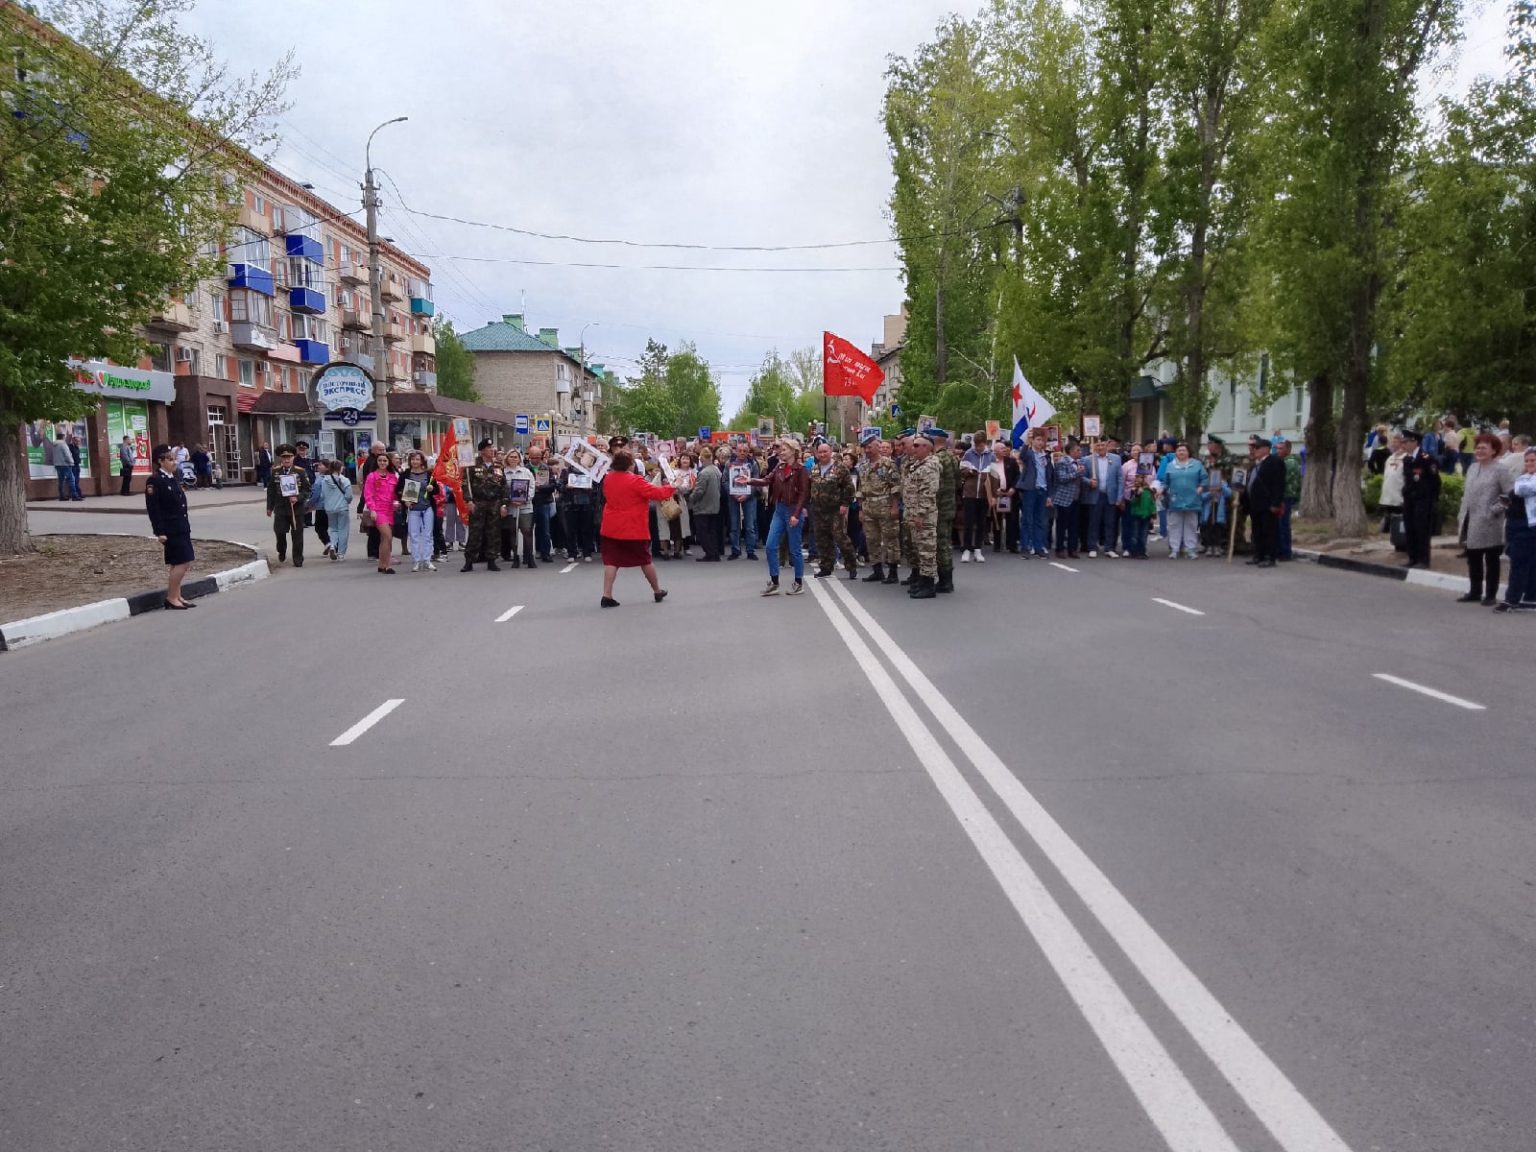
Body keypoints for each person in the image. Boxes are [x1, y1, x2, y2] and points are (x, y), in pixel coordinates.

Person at [595, 450, 673, 607]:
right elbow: (657, 493)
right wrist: (673, 487)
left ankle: (606, 595)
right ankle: (657, 590)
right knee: (645, 560)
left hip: (611, 526)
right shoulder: (635, 481)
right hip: (632, 527)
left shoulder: (608, 478)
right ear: (630, 464)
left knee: (611, 561)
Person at [744, 440, 809, 595]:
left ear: (794, 451)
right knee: (771, 545)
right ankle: (774, 582)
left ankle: (798, 582)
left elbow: (803, 494)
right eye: (781, 449)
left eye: (785, 449)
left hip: (793, 510)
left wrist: (796, 514)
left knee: (794, 550)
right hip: (779, 510)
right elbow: (767, 480)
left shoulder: (801, 470)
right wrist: (750, 481)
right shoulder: (779, 467)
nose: (781, 451)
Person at [1455, 433, 1512, 605]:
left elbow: (1509, 495)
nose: (1479, 451)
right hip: (1471, 520)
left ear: (1494, 450)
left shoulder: (1500, 469)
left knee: (1491, 559)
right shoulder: (1472, 468)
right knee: (1473, 557)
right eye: (1478, 447)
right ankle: (1475, 591)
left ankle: (1490, 595)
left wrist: (1493, 510)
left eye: (1484, 448)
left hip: (1491, 522)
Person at [145, 444, 195, 609]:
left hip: (181, 526)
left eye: (174, 459)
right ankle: (171, 598)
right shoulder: (155, 480)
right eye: (170, 459)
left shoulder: (171, 478)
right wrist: (159, 531)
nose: (174, 462)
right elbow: (154, 509)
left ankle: (177, 596)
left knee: (178, 562)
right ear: (160, 461)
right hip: (170, 529)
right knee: (183, 562)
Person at [1495, 446, 1536, 612]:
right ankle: (1530, 597)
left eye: (1533, 460)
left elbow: (1524, 489)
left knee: (1521, 563)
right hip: (1518, 524)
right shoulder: (1524, 477)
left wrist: (1514, 493)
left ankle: (1511, 599)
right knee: (1526, 562)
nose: (1529, 463)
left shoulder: (1525, 480)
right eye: (1527, 461)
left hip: (1528, 526)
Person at [809, 440, 857, 578]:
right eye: (820, 452)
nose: (823, 454)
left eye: (825, 451)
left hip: (835, 509)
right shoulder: (814, 469)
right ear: (816, 454)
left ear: (831, 452)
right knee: (822, 539)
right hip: (818, 509)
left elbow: (849, 487)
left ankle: (851, 565)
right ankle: (826, 567)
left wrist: (845, 504)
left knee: (840, 537)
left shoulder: (840, 468)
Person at [860, 438, 902, 584]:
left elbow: (895, 487)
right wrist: (861, 509)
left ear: (878, 447)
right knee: (872, 539)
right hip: (869, 506)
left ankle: (892, 571)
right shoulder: (864, 466)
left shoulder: (888, 464)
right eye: (865, 448)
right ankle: (877, 570)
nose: (867, 450)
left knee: (890, 539)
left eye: (870, 447)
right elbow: (861, 489)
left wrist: (895, 506)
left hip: (885, 504)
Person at [905, 433, 942, 599]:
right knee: (919, 549)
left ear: (927, 448)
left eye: (917, 445)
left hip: (924, 516)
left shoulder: (930, 466)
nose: (913, 448)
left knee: (927, 550)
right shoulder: (919, 464)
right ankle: (922, 580)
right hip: (914, 514)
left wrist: (920, 514)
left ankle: (928, 585)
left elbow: (928, 493)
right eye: (913, 445)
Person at [461, 438, 505, 572]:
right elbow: (465, 484)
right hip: (478, 503)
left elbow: (503, 486)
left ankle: (491, 560)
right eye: (488, 448)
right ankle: (469, 561)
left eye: (492, 448)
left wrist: (503, 504)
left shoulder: (498, 465)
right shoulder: (472, 465)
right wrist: (469, 500)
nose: (492, 451)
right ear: (482, 451)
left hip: (494, 503)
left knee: (493, 533)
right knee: (475, 532)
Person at [1242, 434, 1285, 568]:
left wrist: (1275, 503)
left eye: (1257, 447)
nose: (1254, 450)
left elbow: (1278, 484)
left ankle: (1269, 557)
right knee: (1257, 531)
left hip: (1268, 504)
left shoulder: (1274, 462)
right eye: (1253, 447)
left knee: (1269, 531)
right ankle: (1258, 555)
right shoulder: (1255, 463)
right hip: (1255, 504)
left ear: (1266, 449)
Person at [1400, 429, 1441, 569]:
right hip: (1410, 500)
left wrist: (1432, 500)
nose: (1403, 444)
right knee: (1410, 528)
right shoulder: (1407, 459)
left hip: (1423, 501)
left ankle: (1423, 560)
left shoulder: (1426, 459)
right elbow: (1408, 480)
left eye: (1405, 442)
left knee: (1422, 530)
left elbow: (1435, 481)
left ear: (1414, 442)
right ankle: (1412, 557)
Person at [265, 444, 311, 567]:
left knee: (297, 535)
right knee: (279, 532)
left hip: (296, 509)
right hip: (280, 508)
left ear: (293, 458)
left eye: (289, 457)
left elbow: (307, 490)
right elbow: (271, 490)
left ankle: (298, 558)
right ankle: (281, 550)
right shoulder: (275, 471)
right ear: (281, 458)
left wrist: (298, 498)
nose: (286, 460)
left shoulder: (300, 471)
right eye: (284, 457)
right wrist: (269, 507)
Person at [1163, 442, 1207, 559]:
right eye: (1179, 450)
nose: (1181, 452)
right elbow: (1165, 482)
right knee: (1174, 525)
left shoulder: (1197, 464)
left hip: (1192, 499)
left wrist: (1201, 487)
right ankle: (1175, 549)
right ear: (1175, 453)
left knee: (1191, 525)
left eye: (1184, 450)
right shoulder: (1170, 466)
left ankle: (1190, 549)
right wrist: (1162, 490)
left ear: (1188, 452)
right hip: (1175, 500)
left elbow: (1204, 478)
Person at [1083, 438, 1123, 557]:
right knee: (1094, 522)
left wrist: (1119, 496)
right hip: (1096, 494)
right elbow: (1082, 477)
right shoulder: (1088, 460)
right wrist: (1090, 481)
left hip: (1110, 495)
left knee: (1110, 522)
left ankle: (1109, 548)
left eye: (1102, 445)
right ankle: (1092, 547)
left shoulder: (1116, 459)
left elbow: (1120, 479)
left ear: (1106, 446)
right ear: (1094, 447)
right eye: (1098, 445)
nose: (1100, 448)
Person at [929, 429, 959, 592]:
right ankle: (946, 579)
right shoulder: (952, 457)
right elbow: (956, 481)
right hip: (949, 505)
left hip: (939, 506)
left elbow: (935, 485)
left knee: (941, 544)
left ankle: (945, 581)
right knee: (945, 542)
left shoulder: (937, 459)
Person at [399, 450, 438, 573]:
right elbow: (398, 490)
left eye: (417, 459)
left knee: (427, 535)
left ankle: (427, 560)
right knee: (414, 535)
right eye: (412, 459)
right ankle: (416, 561)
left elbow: (436, 490)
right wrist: (405, 501)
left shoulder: (429, 474)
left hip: (427, 508)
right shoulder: (406, 474)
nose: (415, 461)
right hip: (413, 509)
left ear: (422, 461)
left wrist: (432, 489)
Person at [1016, 429, 1052, 558]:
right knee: (1027, 519)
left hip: (1042, 489)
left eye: (1042, 440)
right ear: (1033, 441)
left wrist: (1049, 495)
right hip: (1030, 489)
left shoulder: (1046, 456)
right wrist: (1027, 441)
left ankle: (1039, 546)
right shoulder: (1030, 454)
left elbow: (1049, 476)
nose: (1040, 442)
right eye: (1038, 440)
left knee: (1040, 520)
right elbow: (1022, 456)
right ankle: (1025, 547)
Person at [959, 432, 994, 562]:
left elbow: (994, 476)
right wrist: (969, 472)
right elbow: (961, 470)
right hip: (970, 492)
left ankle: (978, 549)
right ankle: (967, 549)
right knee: (968, 522)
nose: (978, 448)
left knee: (981, 522)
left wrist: (994, 495)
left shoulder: (991, 455)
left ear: (985, 443)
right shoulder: (968, 454)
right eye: (976, 445)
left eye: (981, 445)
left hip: (985, 494)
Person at [501, 448, 536, 568]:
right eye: (511, 457)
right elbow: (502, 490)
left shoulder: (526, 472)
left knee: (527, 531)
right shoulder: (503, 473)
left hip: (525, 507)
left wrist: (525, 499)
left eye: (515, 457)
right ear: (507, 458)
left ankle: (529, 557)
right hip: (511, 507)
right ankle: (515, 557)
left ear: (519, 459)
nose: (513, 459)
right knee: (513, 533)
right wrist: (510, 500)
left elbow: (532, 487)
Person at [314, 458, 353, 562]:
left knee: (333, 529)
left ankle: (332, 546)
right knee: (343, 530)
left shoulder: (324, 480)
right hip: (342, 508)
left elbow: (322, 495)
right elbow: (349, 496)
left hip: (329, 508)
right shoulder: (344, 480)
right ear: (340, 468)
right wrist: (346, 501)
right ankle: (341, 553)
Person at [689, 449, 723, 562]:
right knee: (712, 530)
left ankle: (710, 553)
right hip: (714, 505)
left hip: (703, 506)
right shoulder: (716, 470)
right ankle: (715, 553)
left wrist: (691, 498)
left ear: (702, 458)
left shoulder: (704, 473)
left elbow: (699, 491)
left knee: (702, 531)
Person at [726, 442, 759, 560]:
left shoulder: (752, 464)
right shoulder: (729, 463)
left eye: (744, 451)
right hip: (733, 497)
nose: (742, 453)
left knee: (750, 525)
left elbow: (756, 482)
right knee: (734, 525)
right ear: (736, 451)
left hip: (749, 497)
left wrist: (748, 494)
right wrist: (732, 492)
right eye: (740, 450)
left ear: (748, 451)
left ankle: (750, 550)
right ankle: (735, 550)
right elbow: (725, 481)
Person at [1052, 442, 1085, 558]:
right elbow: (1062, 478)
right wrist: (1077, 473)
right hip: (1064, 498)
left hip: (1076, 497)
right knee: (1062, 525)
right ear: (1071, 451)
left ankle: (1072, 548)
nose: (1080, 452)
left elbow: (1081, 478)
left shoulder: (1079, 462)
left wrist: (1088, 480)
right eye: (1078, 450)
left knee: (1074, 525)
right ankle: (1060, 548)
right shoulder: (1062, 462)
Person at [1276, 435, 1301, 560]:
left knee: (1283, 525)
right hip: (1282, 496)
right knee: (1280, 524)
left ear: (1287, 449)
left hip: (1286, 496)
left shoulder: (1290, 463)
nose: (1277, 451)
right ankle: (1280, 550)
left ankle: (1285, 552)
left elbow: (1282, 480)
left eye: (1280, 449)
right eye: (1277, 449)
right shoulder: (1283, 462)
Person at [1378, 431, 1408, 533]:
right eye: (1393, 442)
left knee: (1398, 514)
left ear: (1402, 444)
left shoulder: (1406, 458)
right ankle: (1386, 529)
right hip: (1388, 493)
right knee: (1388, 513)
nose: (1394, 444)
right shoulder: (1390, 458)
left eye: (1397, 442)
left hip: (1398, 493)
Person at [1123, 472, 1155, 559]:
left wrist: (1153, 514)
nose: (1140, 479)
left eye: (1142, 477)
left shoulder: (1149, 491)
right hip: (1136, 515)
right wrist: (1137, 494)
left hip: (1146, 515)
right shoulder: (1134, 490)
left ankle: (1142, 551)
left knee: (1144, 535)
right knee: (1135, 534)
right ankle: (1133, 551)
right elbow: (1132, 502)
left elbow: (1152, 503)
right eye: (1138, 477)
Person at [49, 432, 75, 502]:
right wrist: (71, 462)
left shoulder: (54, 445)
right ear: (63, 437)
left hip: (57, 464)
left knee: (61, 481)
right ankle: (74, 496)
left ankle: (61, 496)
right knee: (71, 479)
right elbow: (67, 454)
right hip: (65, 464)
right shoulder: (63, 444)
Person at [66, 433, 83, 499]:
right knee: (74, 480)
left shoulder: (77, 447)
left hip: (77, 465)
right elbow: (68, 456)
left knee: (77, 480)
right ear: (73, 441)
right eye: (77, 441)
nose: (79, 442)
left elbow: (77, 456)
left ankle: (75, 494)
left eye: (79, 441)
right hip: (72, 466)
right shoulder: (70, 447)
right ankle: (77, 494)